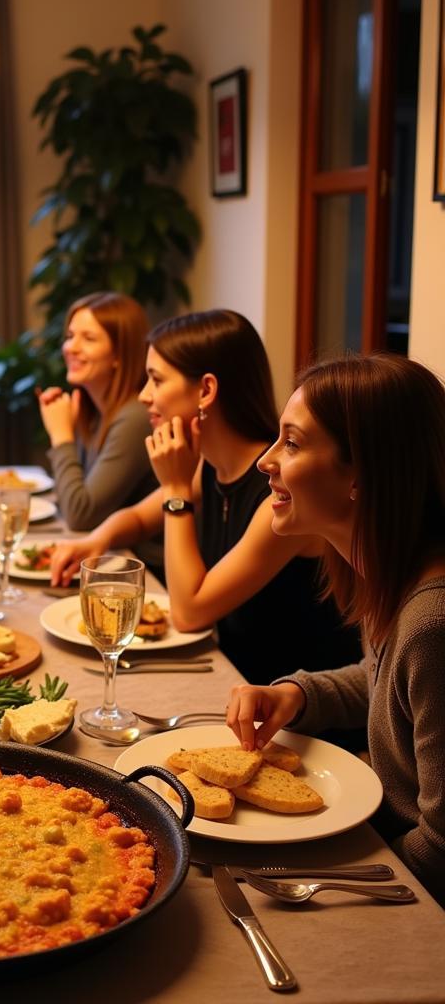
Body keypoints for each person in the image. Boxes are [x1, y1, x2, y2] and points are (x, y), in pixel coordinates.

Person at [226, 354, 445, 905]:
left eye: (293, 444)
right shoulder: (389, 573)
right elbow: (385, 685)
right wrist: (296, 694)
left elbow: (441, 847)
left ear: (360, 475)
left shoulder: (432, 624)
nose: (266, 462)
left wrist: (337, 865)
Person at [50, 309, 361, 684]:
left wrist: (177, 491)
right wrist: (94, 541)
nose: (144, 396)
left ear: (207, 390)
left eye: (155, 380)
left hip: (295, 708)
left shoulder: (282, 494)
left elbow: (189, 612)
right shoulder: (212, 466)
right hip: (234, 682)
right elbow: (135, 518)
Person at [37, 292, 160, 566]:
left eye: (88, 338)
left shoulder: (136, 418)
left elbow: (80, 514)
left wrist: (61, 436)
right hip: (113, 558)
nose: (71, 347)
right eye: (70, 336)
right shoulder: (94, 411)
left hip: (145, 570)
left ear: (119, 354)